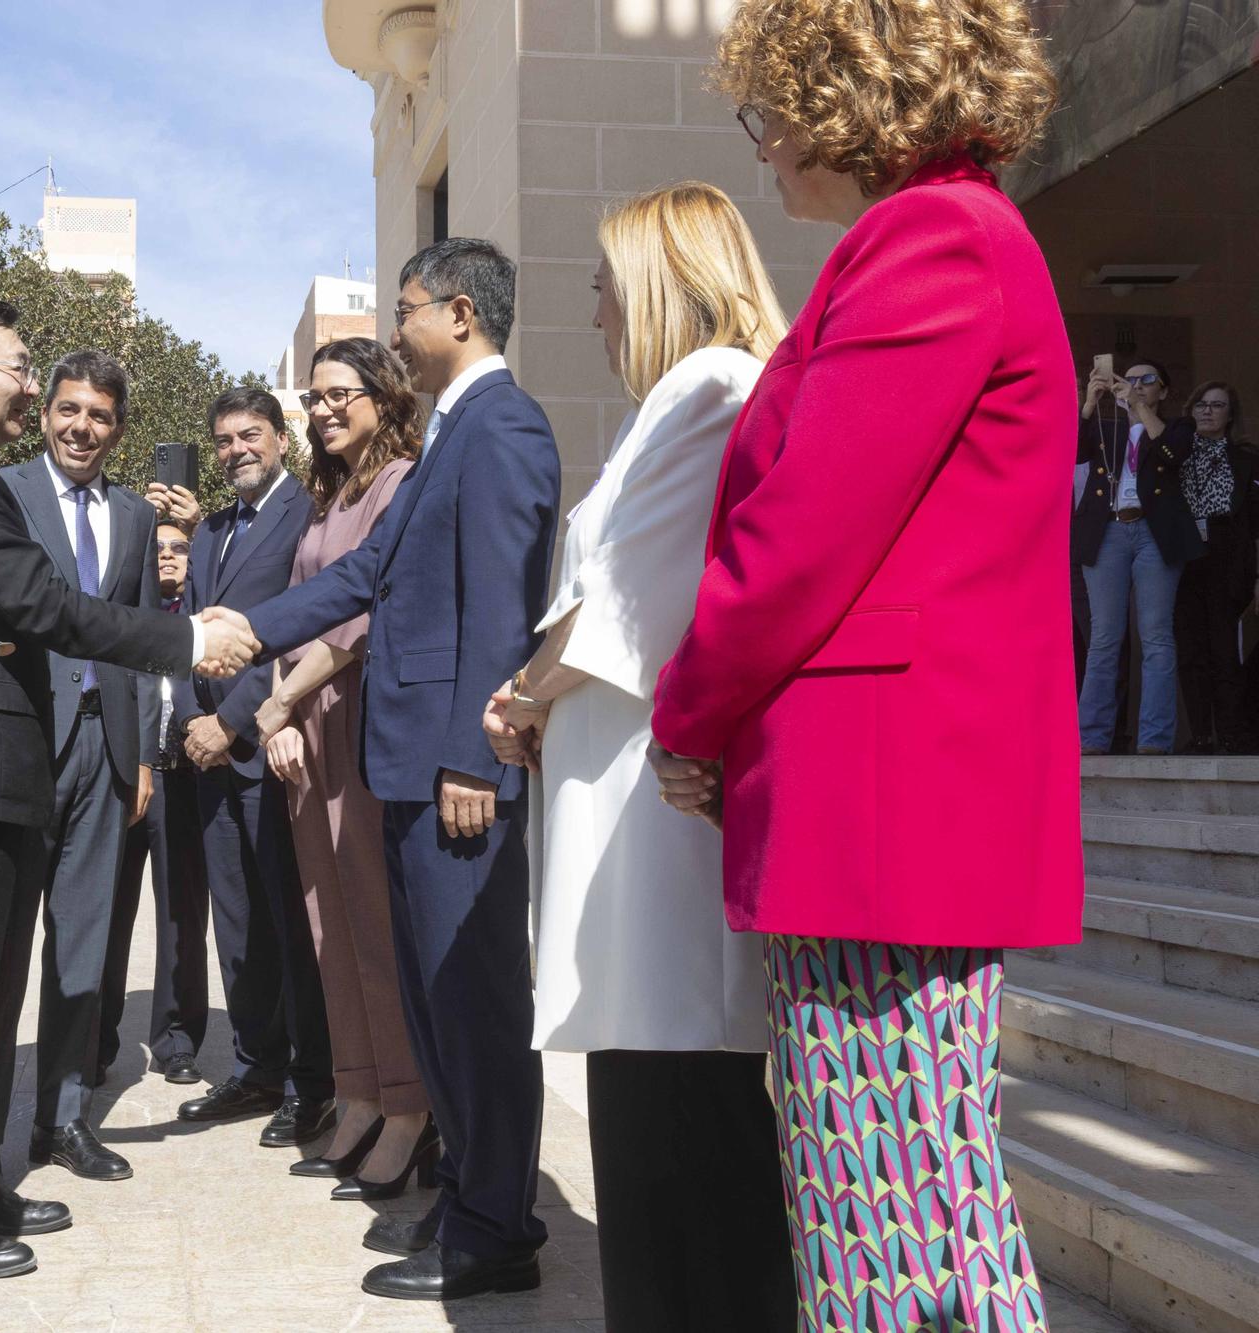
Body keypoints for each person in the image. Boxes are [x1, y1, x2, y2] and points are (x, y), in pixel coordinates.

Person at [648, 4, 1079, 1328]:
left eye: (769, 109)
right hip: (890, 802)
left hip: (889, 806)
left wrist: (689, 716)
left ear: (848, 96)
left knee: (896, 1220)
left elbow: (799, 537)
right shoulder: (938, 236)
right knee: (898, 1208)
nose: (764, 146)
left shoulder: (932, 236)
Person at [0, 296, 255, 1283]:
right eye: (22, 367)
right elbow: (41, 606)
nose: (37, 390)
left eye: (96, 410)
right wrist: (186, 639)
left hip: (64, 752)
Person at [481, 184, 796, 1331]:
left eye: (607, 288)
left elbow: (622, 598)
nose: (598, 315)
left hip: (652, 822)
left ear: (662, 285)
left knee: (680, 1125)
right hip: (625, 810)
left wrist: (520, 693)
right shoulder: (690, 395)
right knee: (656, 1120)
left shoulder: (708, 387)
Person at [242, 237, 560, 1301]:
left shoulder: (502, 424)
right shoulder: (453, 439)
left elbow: (506, 603)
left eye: (405, 310)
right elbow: (371, 573)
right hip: (404, 765)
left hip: (450, 770)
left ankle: (493, 1228)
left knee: (470, 1004)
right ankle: (469, 1193)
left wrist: (476, 751)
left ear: (459, 313)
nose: (394, 332)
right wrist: (239, 630)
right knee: (434, 999)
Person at [251, 337, 430, 1199]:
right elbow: (299, 612)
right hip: (306, 728)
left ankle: (407, 1106)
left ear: (380, 394)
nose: (321, 410)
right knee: (328, 923)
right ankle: (357, 1092)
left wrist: (282, 701)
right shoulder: (327, 497)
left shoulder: (399, 483)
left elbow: (360, 618)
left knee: (371, 918)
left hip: (358, 719)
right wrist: (283, 709)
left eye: (337, 394)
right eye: (313, 398)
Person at [3, 350, 161, 1183]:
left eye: (99, 416)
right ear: (45, 414)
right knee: (0, 947)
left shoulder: (134, 518)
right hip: (21, 744)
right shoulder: (5, 493)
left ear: (117, 430)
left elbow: (135, 641)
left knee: (84, 942)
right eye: (69, 410)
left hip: (106, 751)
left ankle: (61, 1117)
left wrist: (137, 758)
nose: (82, 428)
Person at [169, 386, 334, 1150]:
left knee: (286, 923)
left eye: (251, 435)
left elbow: (301, 632)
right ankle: (255, 1063)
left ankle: (310, 1080)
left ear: (280, 440)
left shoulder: (305, 516)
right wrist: (187, 719)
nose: (238, 448)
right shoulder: (209, 533)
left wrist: (229, 722)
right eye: (225, 438)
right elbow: (186, 636)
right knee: (234, 926)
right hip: (204, 756)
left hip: (266, 748)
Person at [99, 520, 213, 1086]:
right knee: (104, 911)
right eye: (157, 547)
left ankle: (177, 1039)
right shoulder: (120, 612)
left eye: (180, 548)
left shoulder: (206, 621)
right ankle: (92, 1040)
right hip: (121, 775)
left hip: (184, 779)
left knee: (182, 913)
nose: (168, 557)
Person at [1074, 356, 1202, 755]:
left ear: (1163, 390)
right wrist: (1090, 404)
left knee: (1157, 636)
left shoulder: (1179, 426)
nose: (1136, 385)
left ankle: (1154, 738)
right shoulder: (1104, 427)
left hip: (1154, 533)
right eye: (1127, 380)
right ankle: (1092, 737)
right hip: (1108, 531)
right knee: (1104, 637)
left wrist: (1140, 408)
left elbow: (1171, 454)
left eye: (1147, 380)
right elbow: (1070, 452)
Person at [1174, 382, 1257, 753]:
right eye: (1201, 405)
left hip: (1227, 556)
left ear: (1230, 414)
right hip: (1183, 555)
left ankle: (1230, 733)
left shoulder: (1247, 458)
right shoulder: (1173, 452)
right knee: (1190, 651)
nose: (1208, 412)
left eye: (1217, 405)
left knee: (1225, 649)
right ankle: (1201, 735)